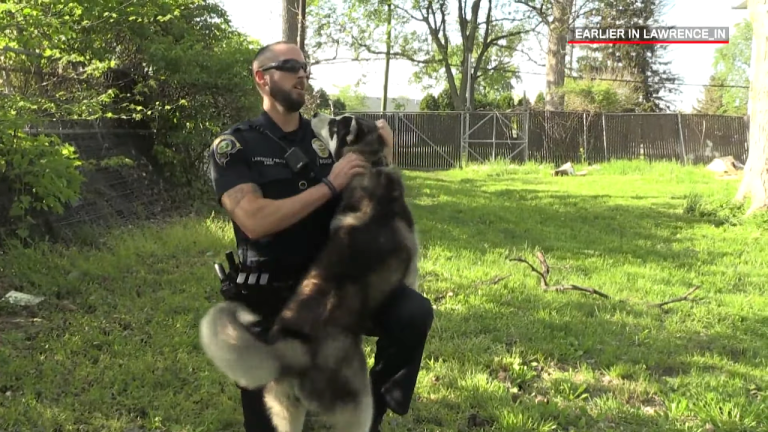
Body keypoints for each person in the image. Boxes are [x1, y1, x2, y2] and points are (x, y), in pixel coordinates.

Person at [206, 40, 434, 432]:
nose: (302, 74)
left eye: (306, 67)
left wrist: (383, 159)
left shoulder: (323, 143)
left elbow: (367, 202)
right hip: (270, 295)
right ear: (262, 78)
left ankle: (375, 408)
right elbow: (253, 219)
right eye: (290, 66)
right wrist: (329, 186)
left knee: (412, 312)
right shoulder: (235, 146)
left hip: (330, 291)